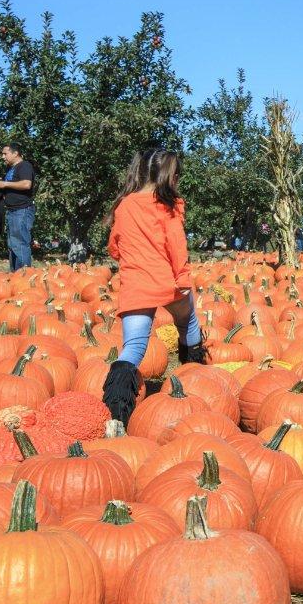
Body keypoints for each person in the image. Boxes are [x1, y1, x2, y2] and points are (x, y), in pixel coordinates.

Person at [102, 148, 205, 423]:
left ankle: (116, 413)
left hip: (136, 283)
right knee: (189, 323)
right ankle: (195, 376)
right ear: (170, 177)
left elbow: (115, 245)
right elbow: (176, 244)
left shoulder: (124, 204)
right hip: (167, 281)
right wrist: (183, 278)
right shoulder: (168, 205)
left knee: (134, 347)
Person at [0, 142, 36, 270]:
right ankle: (15, 274)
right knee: (12, 244)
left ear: (15, 153)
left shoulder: (24, 166)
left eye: (5, 153)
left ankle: (24, 275)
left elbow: (26, 184)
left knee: (20, 243)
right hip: (12, 211)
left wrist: (5, 184)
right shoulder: (11, 169)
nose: (3, 156)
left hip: (22, 210)